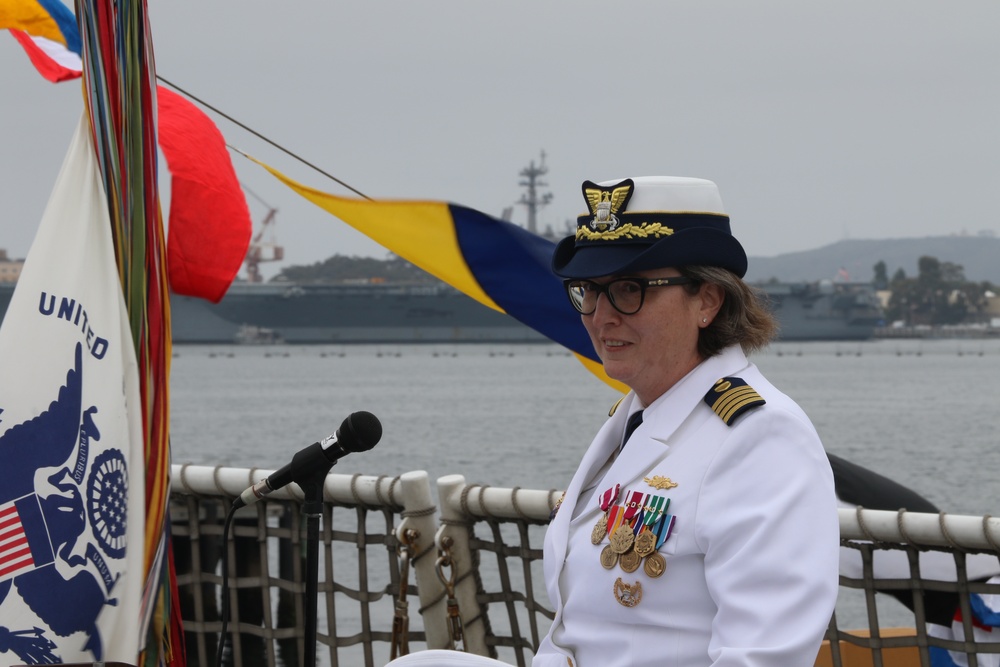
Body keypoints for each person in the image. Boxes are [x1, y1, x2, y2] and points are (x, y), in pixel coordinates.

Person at [387, 176, 839, 667]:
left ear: (707, 300)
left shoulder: (760, 437)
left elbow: (762, 657)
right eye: (589, 292)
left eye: (630, 290)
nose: (601, 316)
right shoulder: (638, 419)